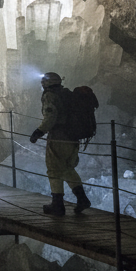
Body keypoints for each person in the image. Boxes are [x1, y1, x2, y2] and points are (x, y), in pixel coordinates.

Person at [29, 70, 91, 216]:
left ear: (47, 83)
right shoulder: (67, 94)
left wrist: (38, 132)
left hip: (59, 138)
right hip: (73, 138)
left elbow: (50, 117)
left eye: (44, 82)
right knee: (67, 168)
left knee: (54, 169)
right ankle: (82, 199)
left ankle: (57, 205)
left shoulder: (50, 95)